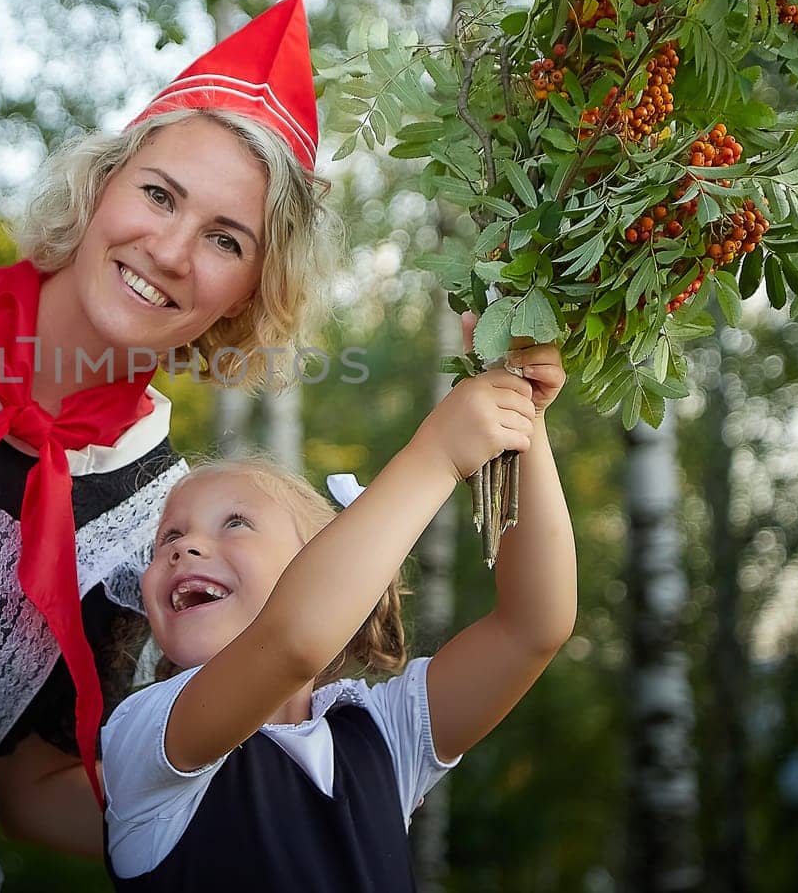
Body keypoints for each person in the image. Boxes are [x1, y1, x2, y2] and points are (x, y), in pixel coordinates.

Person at [0, 0, 340, 890]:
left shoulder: (156, 520)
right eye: (159, 195)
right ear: (101, 185)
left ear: (253, 289)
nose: (172, 251)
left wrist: (256, 840)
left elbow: (33, 785)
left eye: (224, 239)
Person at [101, 315, 576, 890]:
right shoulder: (144, 737)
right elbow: (291, 641)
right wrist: (437, 456)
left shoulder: (384, 736)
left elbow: (533, 627)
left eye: (235, 523)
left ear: (325, 558)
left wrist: (524, 417)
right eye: (168, 539)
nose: (185, 547)